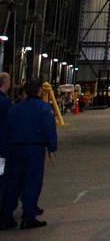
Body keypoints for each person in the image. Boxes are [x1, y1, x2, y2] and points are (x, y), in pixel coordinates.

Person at [0, 79, 57, 230]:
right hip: (34, 150)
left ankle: (6, 217)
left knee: (13, 183)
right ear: (39, 91)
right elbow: (49, 129)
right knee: (32, 182)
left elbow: (7, 129)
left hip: (14, 149)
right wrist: (52, 148)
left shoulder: (15, 108)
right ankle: (28, 217)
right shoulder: (44, 109)